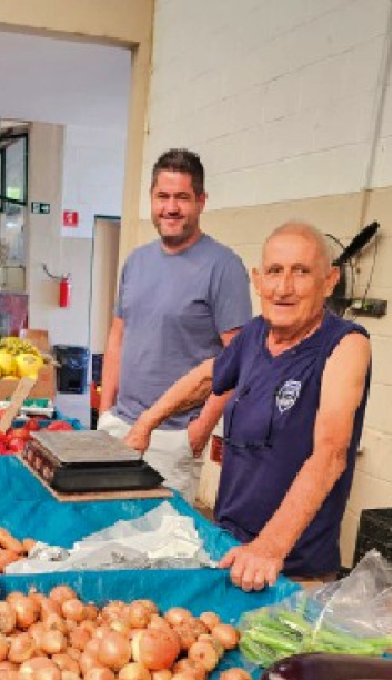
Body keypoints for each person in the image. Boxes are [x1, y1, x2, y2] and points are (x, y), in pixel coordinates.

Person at [125, 221, 371, 592]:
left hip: (291, 569)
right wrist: (146, 423)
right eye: (274, 272)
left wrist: (269, 548)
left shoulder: (345, 345)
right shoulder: (256, 333)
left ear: (329, 280)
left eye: (301, 272)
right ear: (257, 280)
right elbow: (209, 376)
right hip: (231, 550)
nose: (284, 288)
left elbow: (331, 454)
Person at [97, 148, 252, 502]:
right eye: (162, 197)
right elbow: (118, 337)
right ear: (151, 199)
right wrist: (105, 412)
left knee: (160, 552)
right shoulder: (136, 262)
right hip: (118, 427)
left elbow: (240, 359)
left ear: (200, 201)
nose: (170, 208)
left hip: (173, 437)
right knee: (105, 536)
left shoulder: (223, 267)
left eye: (182, 197)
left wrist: (199, 431)